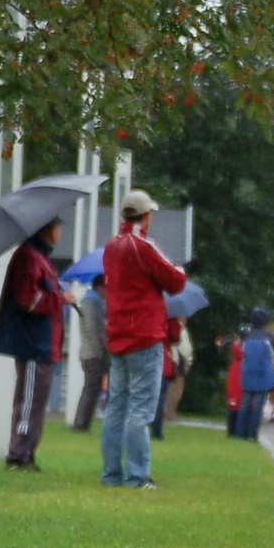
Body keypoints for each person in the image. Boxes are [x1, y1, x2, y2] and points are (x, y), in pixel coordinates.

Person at [102, 189, 187, 488]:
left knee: (116, 406)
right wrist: (179, 269)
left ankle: (112, 474)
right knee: (140, 409)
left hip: (117, 334)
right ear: (146, 216)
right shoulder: (143, 245)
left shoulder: (112, 246)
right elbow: (176, 281)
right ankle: (138, 476)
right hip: (144, 335)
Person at [0, 217, 77, 469]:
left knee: (36, 404)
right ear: (47, 230)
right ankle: (17, 455)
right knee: (28, 404)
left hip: (45, 346)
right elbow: (28, 300)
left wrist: (59, 297)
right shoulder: (28, 257)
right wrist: (61, 300)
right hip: (33, 345)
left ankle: (27, 454)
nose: (60, 233)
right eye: (58, 228)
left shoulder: (41, 258)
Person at [70, 274, 108, 433]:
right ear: (100, 286)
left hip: (92, 352)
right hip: (93, 354)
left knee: (92, 389)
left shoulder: (95, 302)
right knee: (91, 389)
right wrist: (102, 351)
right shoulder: (91, 302)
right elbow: (94, 330)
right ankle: (81, 424)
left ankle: (83, 422)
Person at [237, 307, 274, 441]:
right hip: (264, 374)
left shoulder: (247, 336)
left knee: (245, 403)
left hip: (248, 372)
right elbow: (273, 358)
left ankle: (240, 433)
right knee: (258, 406)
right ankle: (253, 434)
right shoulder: (269, 337)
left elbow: (242, 353)